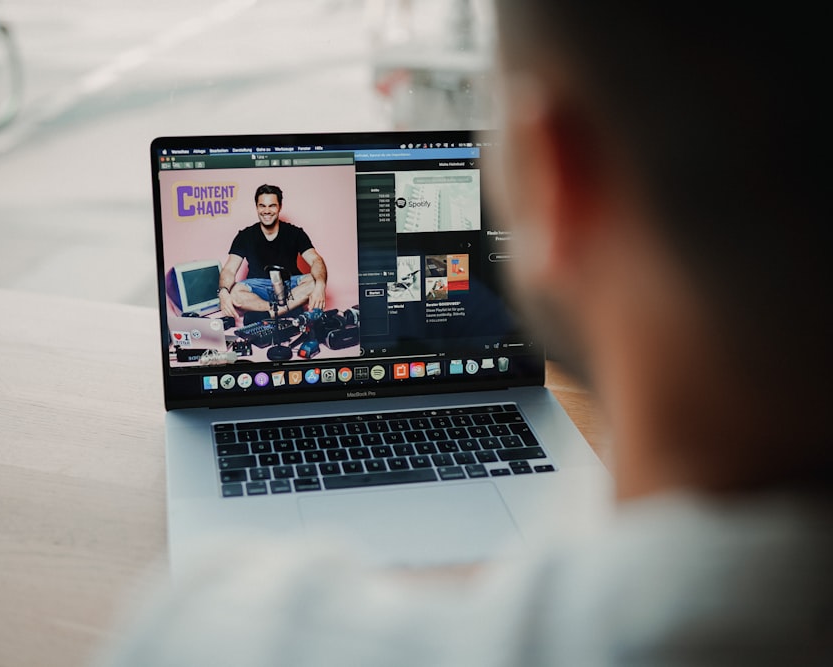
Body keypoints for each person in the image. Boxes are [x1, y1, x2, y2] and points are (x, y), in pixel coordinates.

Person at [98, 2, 833, 665]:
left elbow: (319, 270)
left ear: (555, 180)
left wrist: (307, 286)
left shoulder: (220, 637)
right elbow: (230, 282)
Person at [218, 184, 328, 320]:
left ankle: (270, 314)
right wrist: (223, 292)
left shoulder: (295, 233)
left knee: (314, 281)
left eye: (272, 206)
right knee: (234, 293)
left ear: (280, 207)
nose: (267, 210)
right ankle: (286, 310)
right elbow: (229, 269)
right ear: (257, 207)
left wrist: (321, 285)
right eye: (262, 206)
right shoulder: (244, 235)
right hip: (258, 288)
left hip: (289, 286)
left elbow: (316, 260)